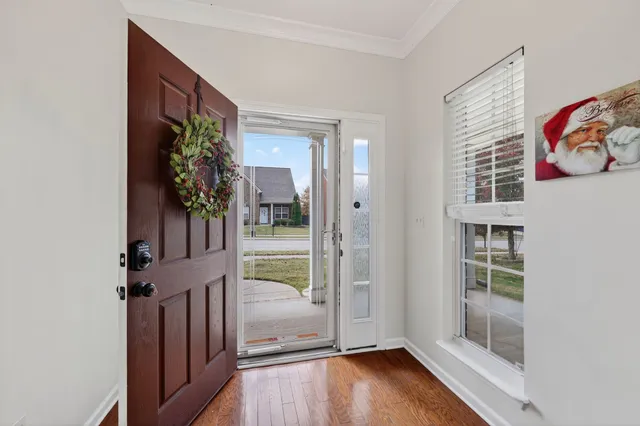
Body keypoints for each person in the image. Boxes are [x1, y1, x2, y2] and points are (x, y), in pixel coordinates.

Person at [537, 97, 640, 180]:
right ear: (562, 139)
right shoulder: (540, 171)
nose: (595, 139)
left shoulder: (616, 162)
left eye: (601, 131)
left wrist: (628, 163)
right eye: (584, 130)